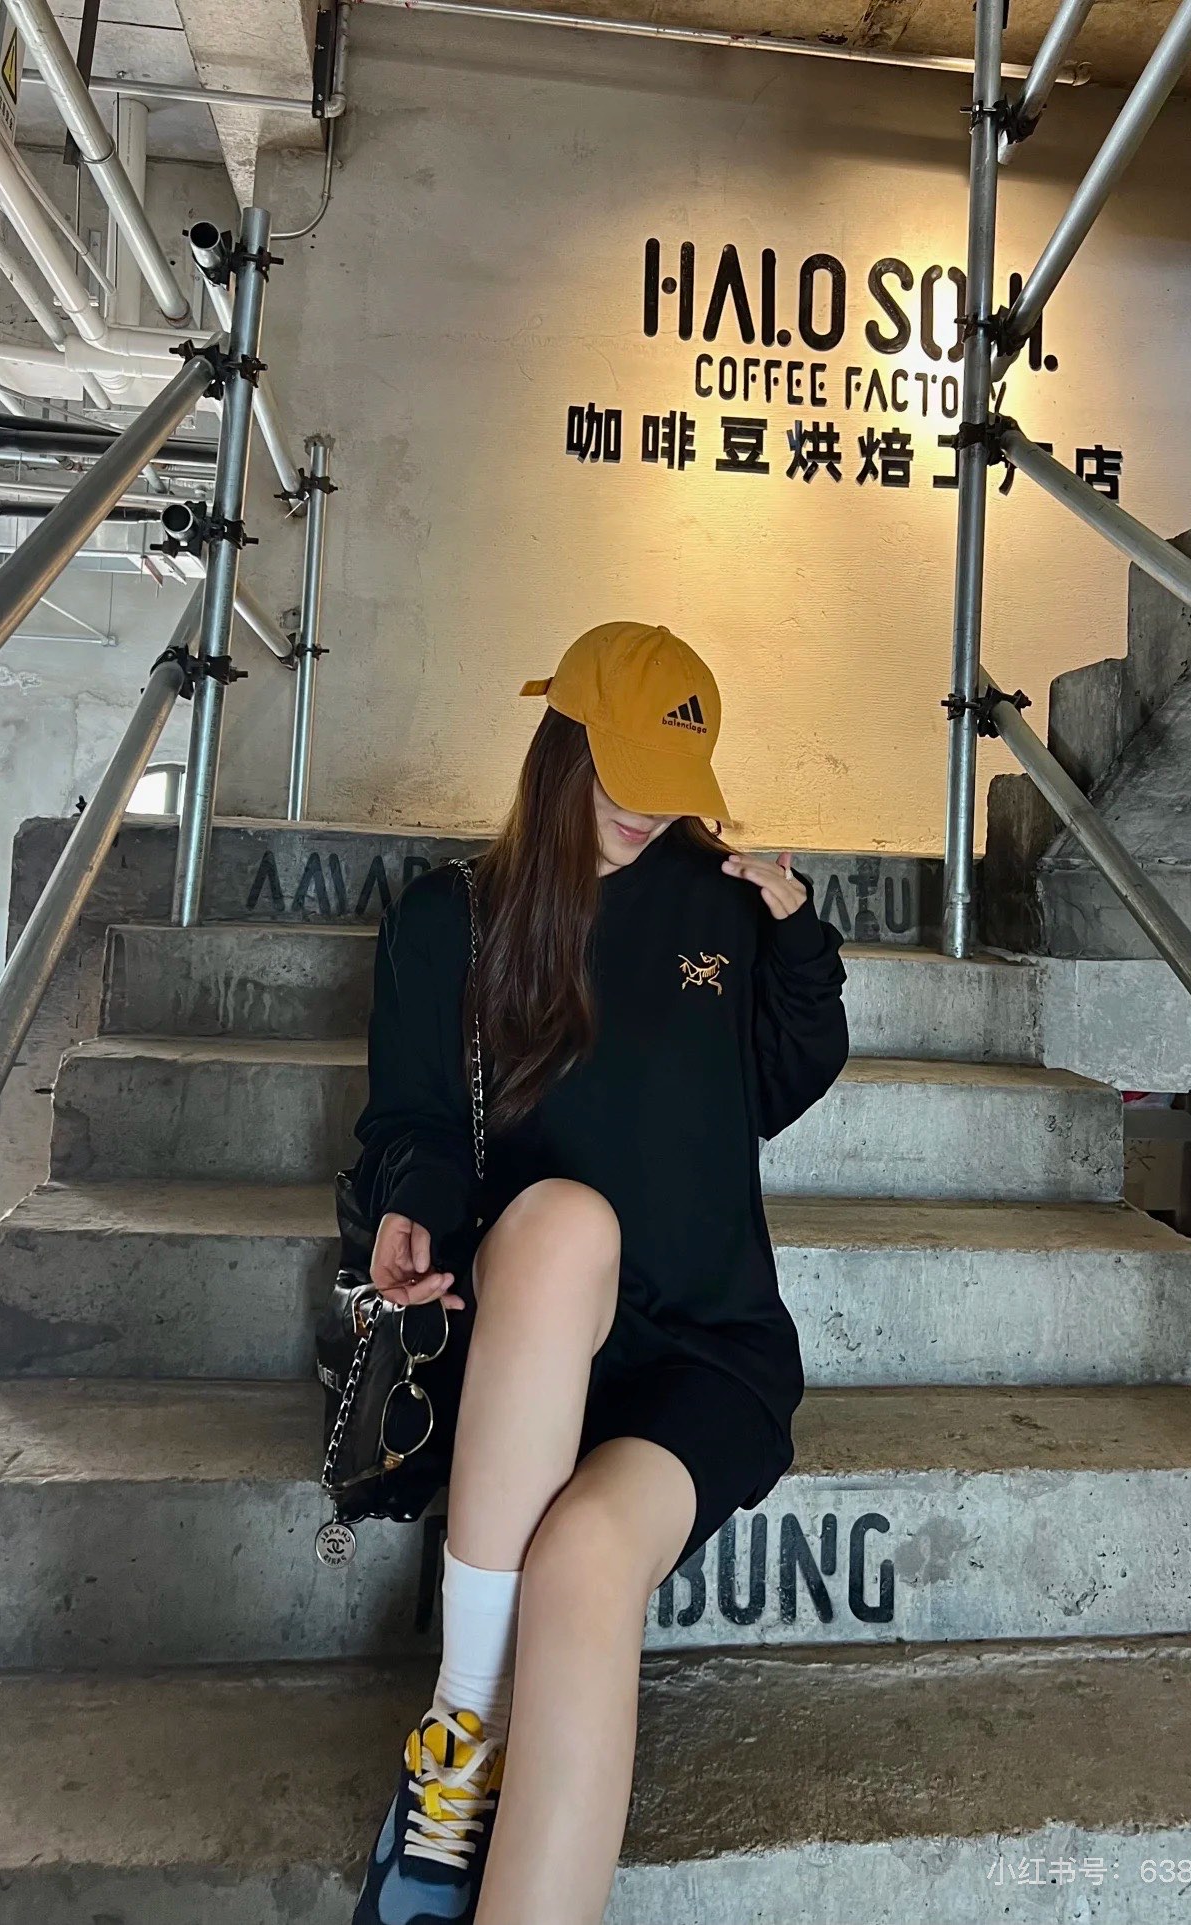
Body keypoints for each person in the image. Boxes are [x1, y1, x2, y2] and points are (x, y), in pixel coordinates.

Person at [350, 619, 848, 1925]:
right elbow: (412, 1122)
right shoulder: (452, 920)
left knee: (583, 1566)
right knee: (569, 1222)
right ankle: (461, 1737)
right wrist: (411, 1215)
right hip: (533, 1337)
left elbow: (782, 1085)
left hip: (703, 1353)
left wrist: (800, 941)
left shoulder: (720, 904)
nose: (643, 809)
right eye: (622, 772)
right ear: (560, 739)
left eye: (669, 782)